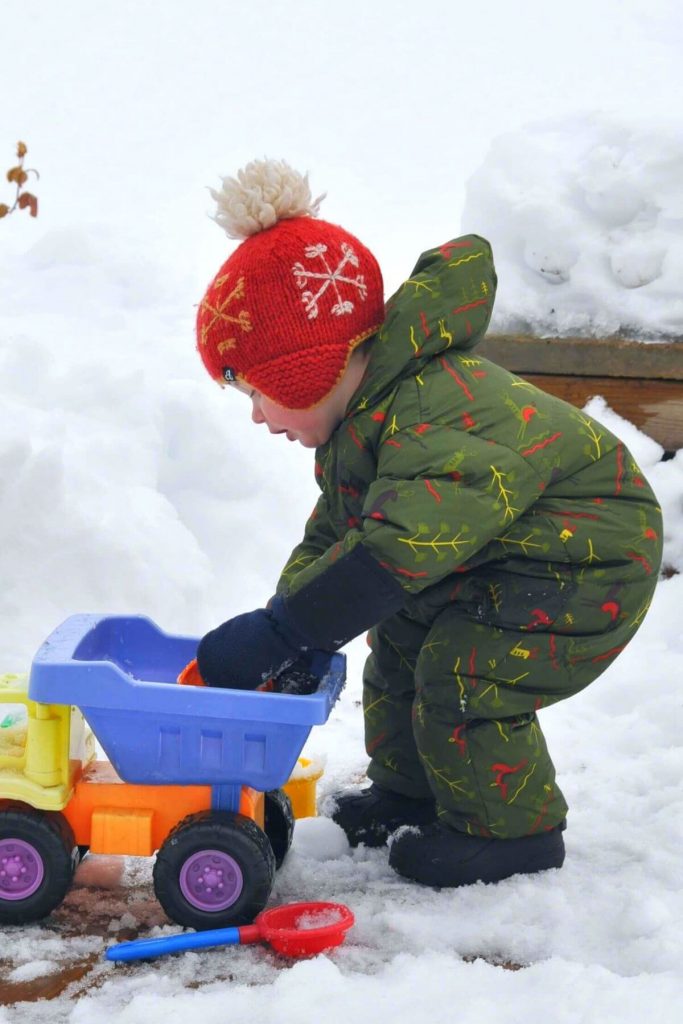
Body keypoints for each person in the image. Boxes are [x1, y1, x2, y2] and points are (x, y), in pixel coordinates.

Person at [187, 158, 663, 887]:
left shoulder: (433, 411)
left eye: (255, 392)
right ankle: (409, 790)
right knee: (401, 637)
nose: (256, 416)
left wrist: (290, 629)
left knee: (464, 673)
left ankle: (510, 834)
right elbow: (337, 539)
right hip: (501, 553)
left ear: (303, 371)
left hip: (586, 558)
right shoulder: (367, 418)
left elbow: (396, 550)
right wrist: (284, 627)